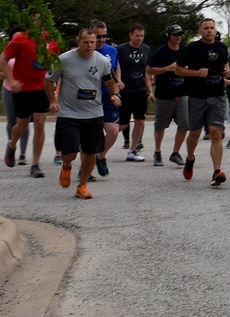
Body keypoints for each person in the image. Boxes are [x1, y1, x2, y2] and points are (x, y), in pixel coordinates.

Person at [44, 29, 120, 199]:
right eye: (86, 42)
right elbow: (49, 80)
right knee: (70, 152)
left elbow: (110, 81)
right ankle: (66, 164)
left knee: (91, 151)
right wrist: (52, 101)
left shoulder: (101, 61)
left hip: (94, 112)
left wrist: (114, 94)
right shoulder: (63, 59)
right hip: (69, 113)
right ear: (79, 42)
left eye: (92, 42)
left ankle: (82, 186)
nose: (89, 45)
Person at [175, 18, 230, 187]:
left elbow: (225, 67)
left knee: (215, 133)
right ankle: (190, 158)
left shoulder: (221, 47)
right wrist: (195, 73)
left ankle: (216, 171)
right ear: (200, 31)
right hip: (197, 96)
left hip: (217, 95)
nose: (209, 31)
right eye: (206, 28)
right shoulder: (192, 48)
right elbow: (178, 69)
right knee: (195, 133)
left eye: (212, 28)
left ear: (215, 30)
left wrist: (227, 71)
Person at [2, 19, 59, 177]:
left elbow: (56, 64)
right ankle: (12, 145)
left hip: (42, 89)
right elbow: (3, 59)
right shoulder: (20, 39)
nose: (38, 22)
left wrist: (54, 86)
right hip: (22, 89)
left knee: (40, 124)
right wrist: (11, 80)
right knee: (21, 124)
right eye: (35, 18)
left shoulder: (52, 41)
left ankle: (35, 164)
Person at [148, 24, 189, 168]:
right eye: (174, 34)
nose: (178, 37)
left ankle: (175, 153)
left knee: (184, 125)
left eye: (180, 34)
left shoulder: (185, 51)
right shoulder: (161, 52)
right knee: (160, 126)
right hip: (164, 95)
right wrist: (167, 68)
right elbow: (149, 70)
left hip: (182, 93)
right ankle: (157, 152)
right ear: (168, 36)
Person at [115, 24, 154, 163]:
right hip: (125, 90)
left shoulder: (146, 49)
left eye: (142, 36)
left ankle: (133, 150)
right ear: (130, 35)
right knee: (123, 124)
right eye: (137, 36)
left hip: (140, 90)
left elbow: (147, 71)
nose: (139, 39)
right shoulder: (121, 49)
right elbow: (115, 67)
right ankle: (100, 142)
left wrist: (150, 91)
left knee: (140, 120)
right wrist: (117, 83)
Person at [89, 20, 121, 178]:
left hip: (108, 95)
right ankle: (85, 167)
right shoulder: (85, 51)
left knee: (113, 131)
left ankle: (101, 157)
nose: (101, 40)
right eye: (98, 36)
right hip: (89, 97)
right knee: (90, 134)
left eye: (104, 36)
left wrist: (117, 84)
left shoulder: (111, 51)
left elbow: (116, 67)